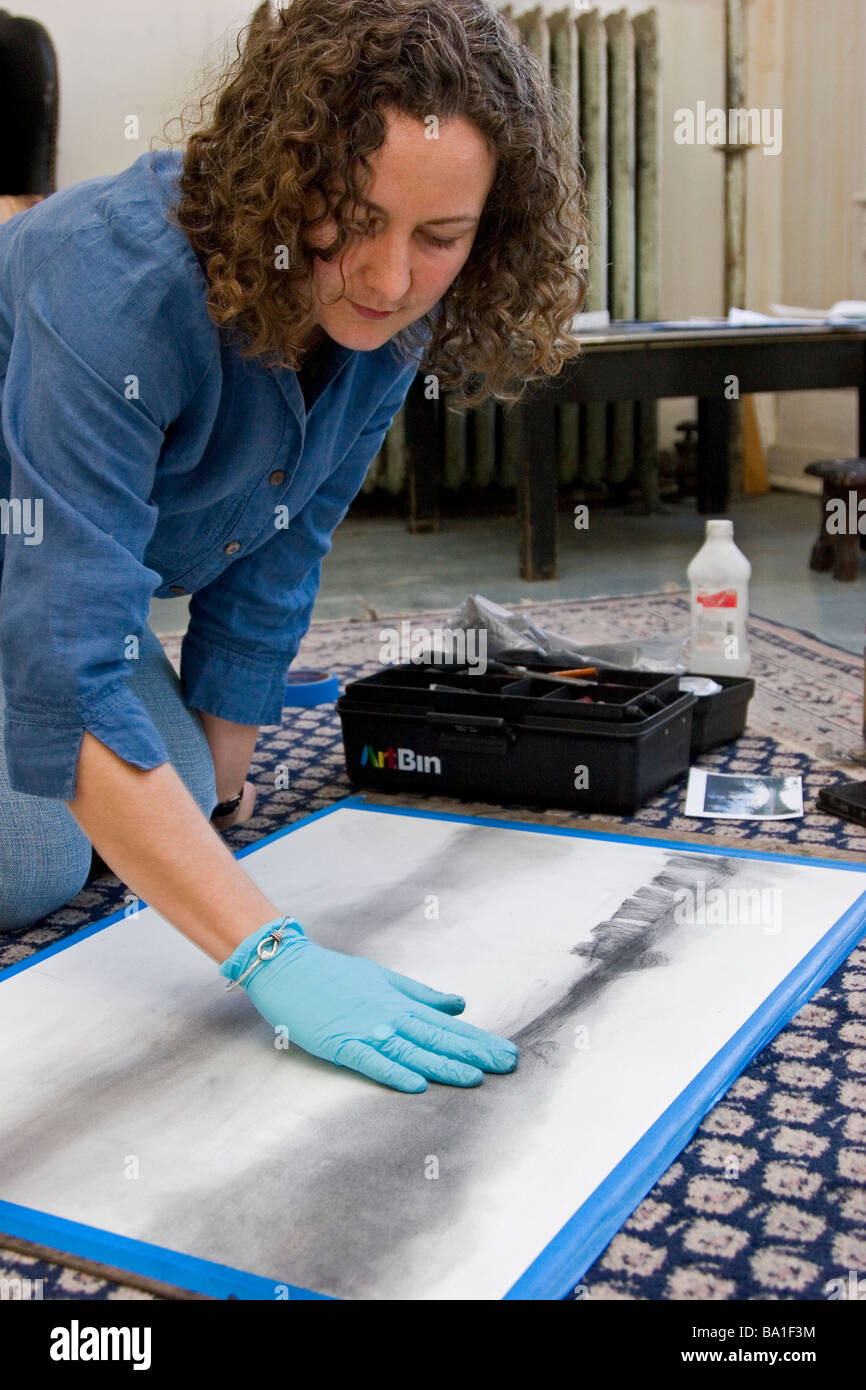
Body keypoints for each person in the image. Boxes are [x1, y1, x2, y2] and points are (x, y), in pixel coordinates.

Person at [0, 0, 586, 1092]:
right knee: (33, 862)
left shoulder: (392, 312)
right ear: (283, 172)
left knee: (169, 796)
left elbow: (284, 534)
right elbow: (63, 670)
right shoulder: (112, 287)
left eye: (438, 238)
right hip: (21, 545)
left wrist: (218, 791)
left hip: (48, 569)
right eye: (350, 220)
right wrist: (270, 951)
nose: (385, 278)